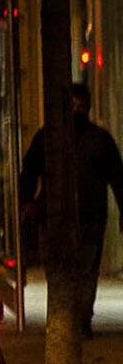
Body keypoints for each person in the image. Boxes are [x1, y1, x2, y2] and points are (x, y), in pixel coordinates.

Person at [20, 84, 123, 338]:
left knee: (81, 270)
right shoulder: (53, 138)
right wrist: (28, 202)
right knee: (66, 269)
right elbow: (29, 171)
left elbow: (118, 178)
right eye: (74, 106)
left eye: (81, 106)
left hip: (86, 215)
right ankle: (70, 318)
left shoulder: (72, 138)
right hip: (57, 214)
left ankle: (77, 319)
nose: (78, 111)